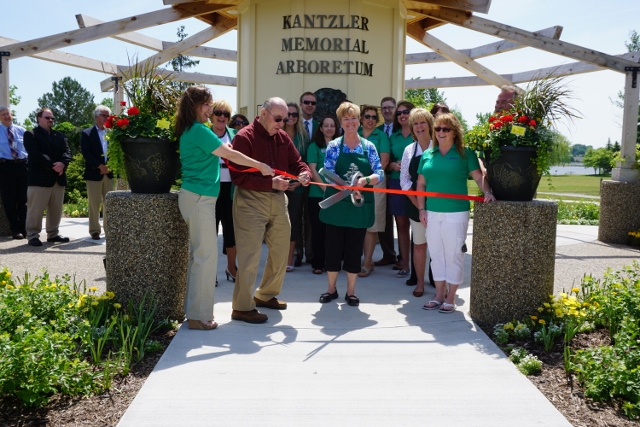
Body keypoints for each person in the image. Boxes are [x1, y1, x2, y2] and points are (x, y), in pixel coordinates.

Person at [176, 86, 273, 330]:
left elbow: (228, 152)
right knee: (205, 258)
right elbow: (232, 156)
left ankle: (196, 313)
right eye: (207, 105)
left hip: (197, 198)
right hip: (199, 199)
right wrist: (260, 165)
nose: (210, 109)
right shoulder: (199, 130)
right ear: (195, 106)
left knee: (201, 256)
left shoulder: (196, 130)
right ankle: (198, 317)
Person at [230, 97, 311, 324]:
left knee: (281, 249)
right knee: (250, 255)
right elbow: (238, 176)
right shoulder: (244, 137)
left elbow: (297, 162)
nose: (282, 124)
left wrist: (303, 173)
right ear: (263, 113)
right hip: (250, 200)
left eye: (285, 120)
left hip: (277, 199)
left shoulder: (282, 137)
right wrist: (271, 184)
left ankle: (265, 295)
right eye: (278, 119)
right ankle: (242, 307)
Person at [416, 112, 496, 313]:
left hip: (456, 213)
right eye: (437, 129)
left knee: (453, 255)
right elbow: (421, 183)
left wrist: (488, 192)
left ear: (454, 132)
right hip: (432, 213)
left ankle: (451, 297)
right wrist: (421, 209)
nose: (441, 132)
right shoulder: (427, 154)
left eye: (446, 129)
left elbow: (479, 178)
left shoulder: (465, 153)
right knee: (436, 255)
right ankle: (438, 295)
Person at [319, 102, 384, 307]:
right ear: (341, 122)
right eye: (346, 118)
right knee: (332, 248)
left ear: (359, 121)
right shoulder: (334, 146)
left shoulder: (369, 146)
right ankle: (331, 289)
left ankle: (351, 292)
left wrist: (365, 180)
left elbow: (379, 173)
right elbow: (327, 171)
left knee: (355, 249)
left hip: (359, 206)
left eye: (353, 117)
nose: (350, 122)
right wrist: (342, 185)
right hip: (337, 205)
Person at [23, 108, 71, 247]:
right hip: (39, 180)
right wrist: (54, 166)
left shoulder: (59, 135)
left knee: (56, 209)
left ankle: (53, 234)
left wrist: (62, 164)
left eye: (52, 118)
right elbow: (35, 154)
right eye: (47, 117)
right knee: (35, 210)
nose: (51, 120)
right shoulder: (30, 134)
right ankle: (32, 235)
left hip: (58, 179)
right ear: (39, 119)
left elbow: (67, 152)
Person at [400, 108, 434, 297]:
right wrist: (419, 206)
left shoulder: (438, 146)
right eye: (415, 123)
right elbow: (405, 181)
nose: (419, 127)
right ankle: (420, 283)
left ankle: (439, 284)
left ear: (430, 124)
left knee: (438, 247)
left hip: (438, 206)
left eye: (422, 122)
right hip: (415, 204)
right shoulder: (409, 150)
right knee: (419, 244)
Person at [357, 105, 390, 277]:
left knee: (372, 224)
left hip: (375, 184)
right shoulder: (354, 135)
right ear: (361, 118)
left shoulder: (382, 136)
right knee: (358, 223)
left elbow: (383, 162)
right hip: (356, 184)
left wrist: (368, 179)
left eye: (373, 117)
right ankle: (360, 259)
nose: (370, 119)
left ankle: (368, 262)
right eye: (367, 116)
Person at [307, 115, 340, 275]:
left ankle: (332, 262)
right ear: (320, 128)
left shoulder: (341, 146)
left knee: (333, 231)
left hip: (338, 195)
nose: (329, 128)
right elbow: (312, 169)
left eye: (332, 126)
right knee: (318, 230)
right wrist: (325, 189)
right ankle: (318, 262)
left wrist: (336, 189)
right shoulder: (314, 146)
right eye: (325, 126)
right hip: (317, 195)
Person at [210, 99, 238, 282]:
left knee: (231, 231)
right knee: (210, 232)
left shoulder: (236, 135)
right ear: (211, 116)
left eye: (226, 114)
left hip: (231, 189)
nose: (222, 117)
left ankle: (231, 267)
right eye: (218, 113)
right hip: (211, 188)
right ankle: (210, 273)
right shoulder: (204, 133)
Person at [387, 100, 415, 277]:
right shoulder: (393, 137)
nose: (402, 115)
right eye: (399, 113)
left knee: (418, 226)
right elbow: (386, 162)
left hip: (416, 184)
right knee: (402, 225)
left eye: (406, 112)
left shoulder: (418, 133)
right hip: (397, 183)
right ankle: (405, 263)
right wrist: (392, 165)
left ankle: (417, 264)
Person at [80, 105, 114, 240]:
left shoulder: (112, 133)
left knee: (110, 203)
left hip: (109, 173)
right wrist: (99, 166)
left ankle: (109, 229)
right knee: (94, 204)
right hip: (94, 174)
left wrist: (110, 166)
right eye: (104, 115)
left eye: (108, 115)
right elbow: (86, 153)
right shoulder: (87, 133)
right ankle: (94, 230)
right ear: (96, 116)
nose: (107, 118)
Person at [283, 101, 309, 272]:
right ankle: (279, 255)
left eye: (294, 114)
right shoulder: (277, 133)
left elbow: (305, 163)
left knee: (294, 221)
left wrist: (298, 182)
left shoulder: (303, 136)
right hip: (278, 185)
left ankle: (291, 256)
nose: (291, 117)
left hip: (298, 187)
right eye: (288, 114)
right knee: (279, 222)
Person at [374, 96, 399, 267]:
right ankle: (388, 253)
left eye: (390, 107)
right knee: (384, 218)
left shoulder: (403, 128)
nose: (387, 111)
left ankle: (404, 258)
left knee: (401, 220)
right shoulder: (378, 130)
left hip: (398, 180)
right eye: (384, 108)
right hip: (381, 179)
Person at [0, 106, 28, 240]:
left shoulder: (21, 131)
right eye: (3, 115)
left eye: (8, 113)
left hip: (22, 166)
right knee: (9, 200)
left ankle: (24, 228)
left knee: (24, 199)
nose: (6, 116)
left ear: (12, 114)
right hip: (6, 167)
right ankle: (15, 229)